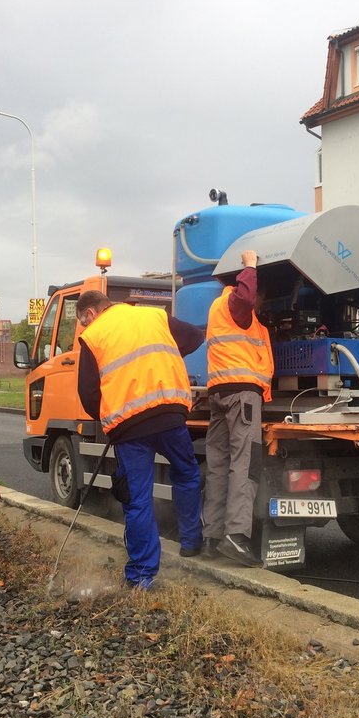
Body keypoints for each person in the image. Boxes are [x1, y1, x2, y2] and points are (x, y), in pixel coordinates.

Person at [76, 290, 204, 590]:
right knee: (186, 474)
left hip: (129, 427)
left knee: (138, 498)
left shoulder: (94, 335)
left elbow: (88, 393)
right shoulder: (153, 315)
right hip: (171, 411)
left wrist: (109, 417)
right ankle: (191, 542)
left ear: (91, 314)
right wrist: (165, 357)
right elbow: (195, 336)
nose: (84, 327)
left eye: (83, 321)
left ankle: (142, 576)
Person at [202, 249, 274, 567]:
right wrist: (251, 266)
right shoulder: (236, 305)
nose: (261, 304)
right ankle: (236, 536)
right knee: (245, 465)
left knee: (218, 467)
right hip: (241, 396)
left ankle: (212, 537)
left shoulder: (220, 310)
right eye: (262, 298)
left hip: (219, 396)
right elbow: (245, 300)